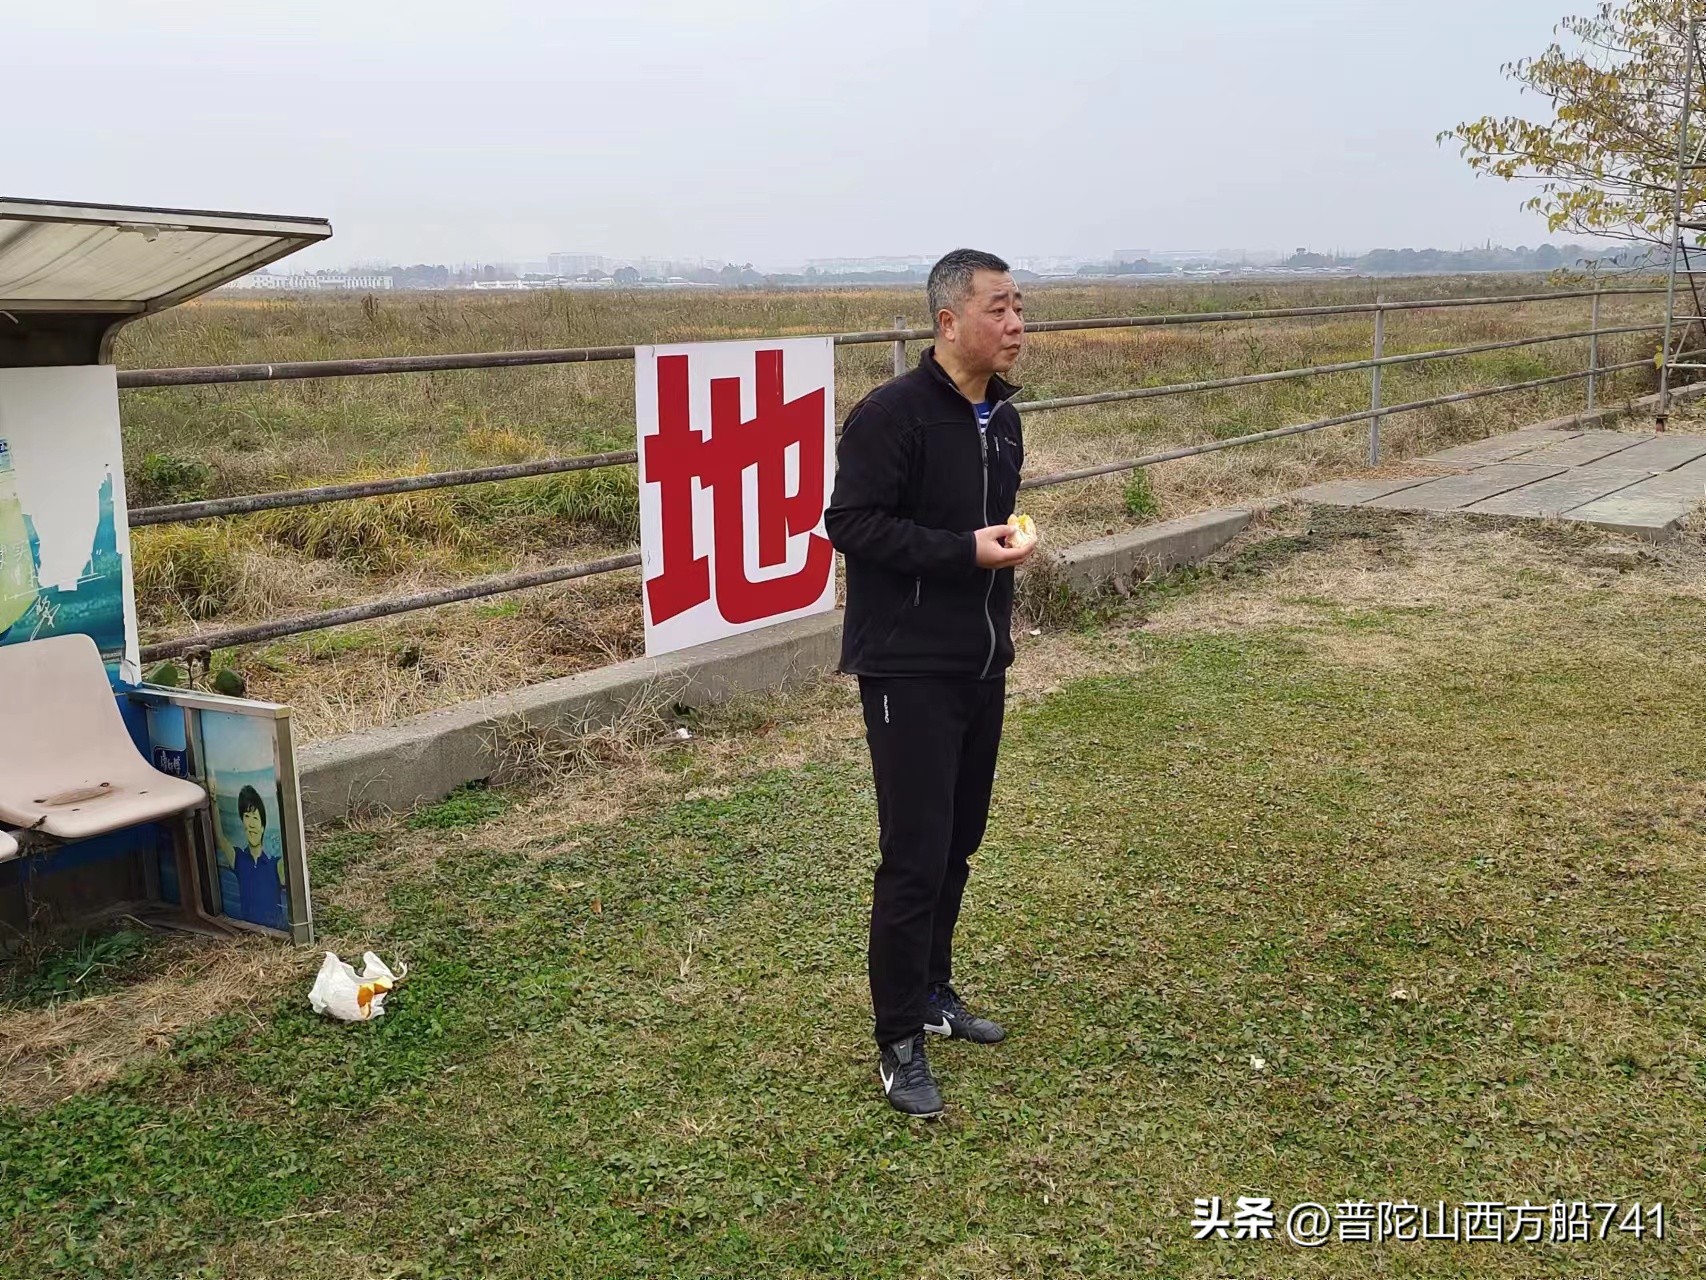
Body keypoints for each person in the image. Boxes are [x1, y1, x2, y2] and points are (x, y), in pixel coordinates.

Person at [824, 248, 1035, 1117]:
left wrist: (1003, 545)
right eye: (998, 308)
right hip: (906, 665)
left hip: (980, 660)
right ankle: (897, 1039)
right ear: (949, 322)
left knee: (959, 839)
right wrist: (965, 552)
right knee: (913, 856)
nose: (1016, 324)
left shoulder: (1003, 417)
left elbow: (983, 525)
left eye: (1019, 306)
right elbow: (851, 523)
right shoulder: (893, 416)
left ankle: (936, 994)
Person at [214, 784, 288, 930]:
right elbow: (220, 837)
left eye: (255, 817)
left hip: (275, 933)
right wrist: (213, 800)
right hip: (248, 931)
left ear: (263, 826)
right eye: (247, 817)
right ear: (243, 823)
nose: (252, 824)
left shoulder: (275, 864)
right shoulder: (239, 859)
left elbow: (291, 858)